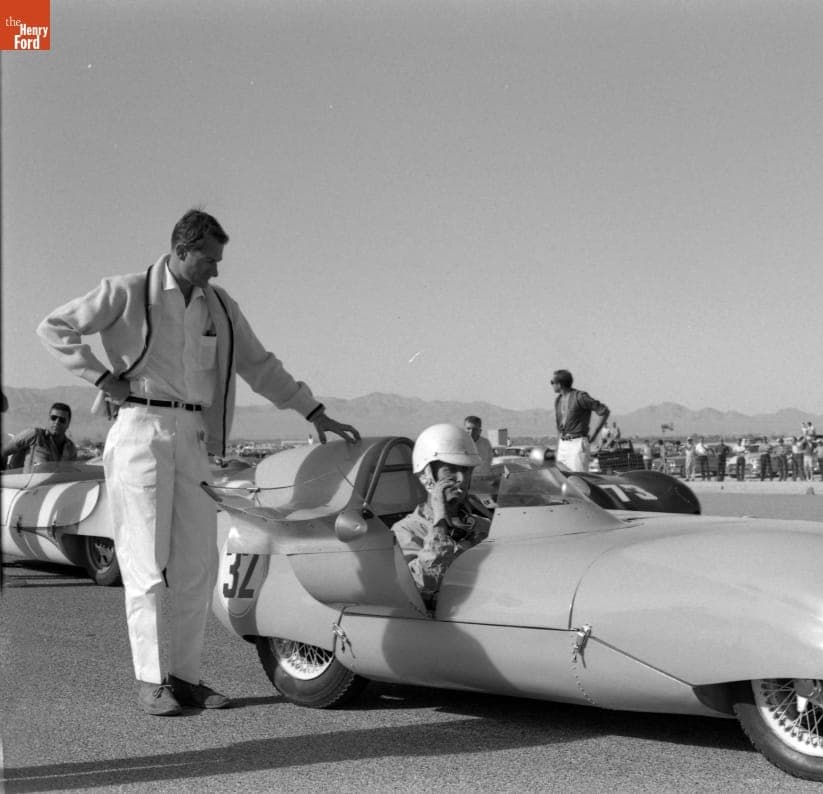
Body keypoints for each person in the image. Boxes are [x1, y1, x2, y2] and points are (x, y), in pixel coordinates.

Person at [37, 209, 361, 717]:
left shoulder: (221, 307)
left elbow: (259, 364)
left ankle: (186, 677)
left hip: (193, 436)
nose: (216, 269)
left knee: (196, 565)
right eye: (209, 259)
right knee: (143, 565)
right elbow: (54, 328)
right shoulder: (126, 290)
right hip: (140, 429)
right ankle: (150, 680)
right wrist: (101, 378)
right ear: (182, 250)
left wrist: (313, 411)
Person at [392, 423, 490, 606]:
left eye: (466, 470)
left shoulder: (483, 526)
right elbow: (423, 587)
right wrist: (440, 524)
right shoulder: (405, 531)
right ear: (428, 475)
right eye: (450, 470)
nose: (461, 479)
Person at [551, 369, 610, 472]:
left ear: (559, 384)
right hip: (563, 445)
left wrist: (595, 434)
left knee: (579, 480)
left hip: (577, 444)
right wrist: (558, 447)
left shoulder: (580, 397)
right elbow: (559, 429)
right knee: (561, 479)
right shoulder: (558, 400)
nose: (551, 385)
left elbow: (603, 411)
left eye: (552, 382)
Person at [2, 402, 78, 471]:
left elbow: (70, 473)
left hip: (55, 485)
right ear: (49, 419)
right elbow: (3, 451)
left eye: (62, 420)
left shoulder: (71, 449)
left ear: (68, 424)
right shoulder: (33, 435)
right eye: (53, 418)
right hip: (26, 485)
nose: (57, 422)